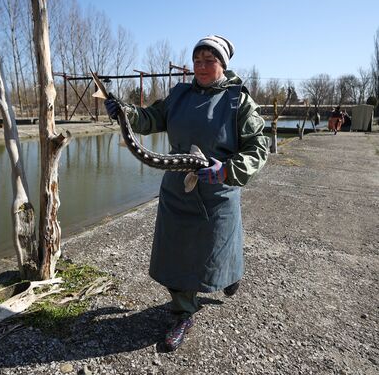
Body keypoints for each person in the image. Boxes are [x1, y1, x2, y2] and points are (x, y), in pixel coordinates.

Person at [104, 35, 269, 352]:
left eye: (210, 60)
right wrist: (124, 112)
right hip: (177, 190)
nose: (202, 66)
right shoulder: (179, 95)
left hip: (219, 189)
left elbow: (258, 149)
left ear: (222, 64)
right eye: (197, 60)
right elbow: (151, 118)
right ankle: (182, 315)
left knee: (219, 248)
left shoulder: (239, 100)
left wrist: (227, 170)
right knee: (177, 255)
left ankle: (229, 274)